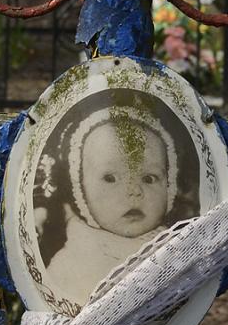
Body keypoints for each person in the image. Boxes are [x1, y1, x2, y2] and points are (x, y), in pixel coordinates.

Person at [40, 107, 183, 312]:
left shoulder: (174, 249)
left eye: (149, 178)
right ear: (80, 189)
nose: (134, 191)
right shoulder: (70, 261)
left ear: (169, 187)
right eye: (110, 178)